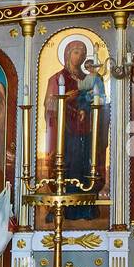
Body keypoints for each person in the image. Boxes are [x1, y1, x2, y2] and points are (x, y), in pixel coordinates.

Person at [43, 39, 107, 221]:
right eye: (75, 51)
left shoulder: (91, 79)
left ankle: (84, 208)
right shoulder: (57, 78)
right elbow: (49, 106)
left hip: (86, 131)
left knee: (86, 164)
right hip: (66, 132)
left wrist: (88, 106)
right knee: (68, 164)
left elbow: (100, 102)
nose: (79, 56)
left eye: (82, 52)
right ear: (67, 54)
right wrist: (65, 100)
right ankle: (64, 207)